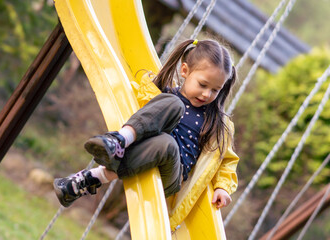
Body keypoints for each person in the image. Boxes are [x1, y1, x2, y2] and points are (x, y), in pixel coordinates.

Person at [53, 39, 239, 211]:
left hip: (171, 175)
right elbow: (139, 109)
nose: (207, 94)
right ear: (185, 71)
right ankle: (118, 141)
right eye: (203, 84)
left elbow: (226, 160)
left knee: (167, 142)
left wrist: (222, 187)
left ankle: (96, 176)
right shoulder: (163, 95)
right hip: (144, 150)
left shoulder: (216, 123)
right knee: (173, 105)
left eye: (215, 90)